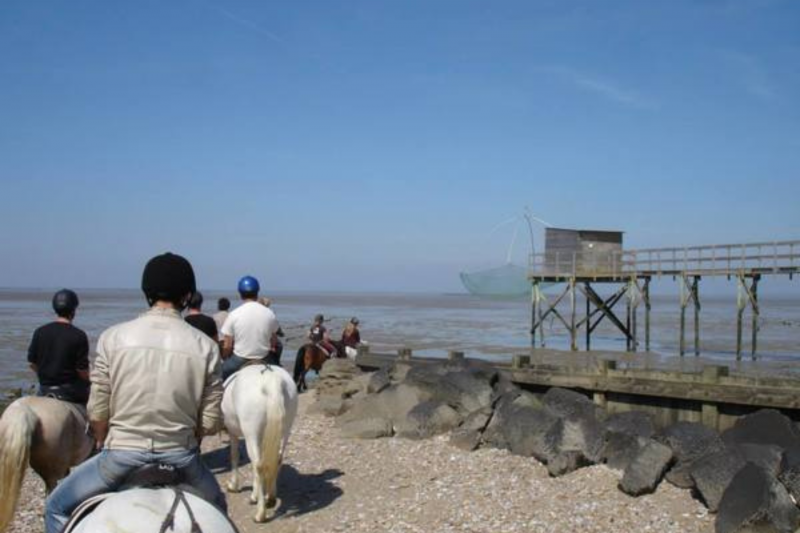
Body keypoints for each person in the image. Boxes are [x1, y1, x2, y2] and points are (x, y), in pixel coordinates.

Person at [44, 253, 226, 533]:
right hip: (181, 457)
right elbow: (211, 423)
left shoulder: (113, 337)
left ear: (147, 292)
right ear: (187, 294)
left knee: (56, 507)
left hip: (120, 456)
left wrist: (103, 438)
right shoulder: (206, 347)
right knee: (220, 511)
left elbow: (98, 411)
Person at [27, 289, 91, 405]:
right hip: (70, 391)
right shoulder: (79, 335)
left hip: (44, 389)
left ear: (55, 308)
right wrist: (91, 380)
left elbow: (32, 363)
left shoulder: (40, 332)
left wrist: (45, 375)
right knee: (93, 410)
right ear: (74, 310)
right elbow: (82, 371)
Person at [220, 275, 280, 380]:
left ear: (240, 294)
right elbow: (274, 341)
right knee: (281, 377)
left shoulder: (234, 314)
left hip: (239, 359)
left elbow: (227, 346)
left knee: (219, 376)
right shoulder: (269, 313)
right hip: (264, 358)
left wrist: (225, 357)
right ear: (257, 292)